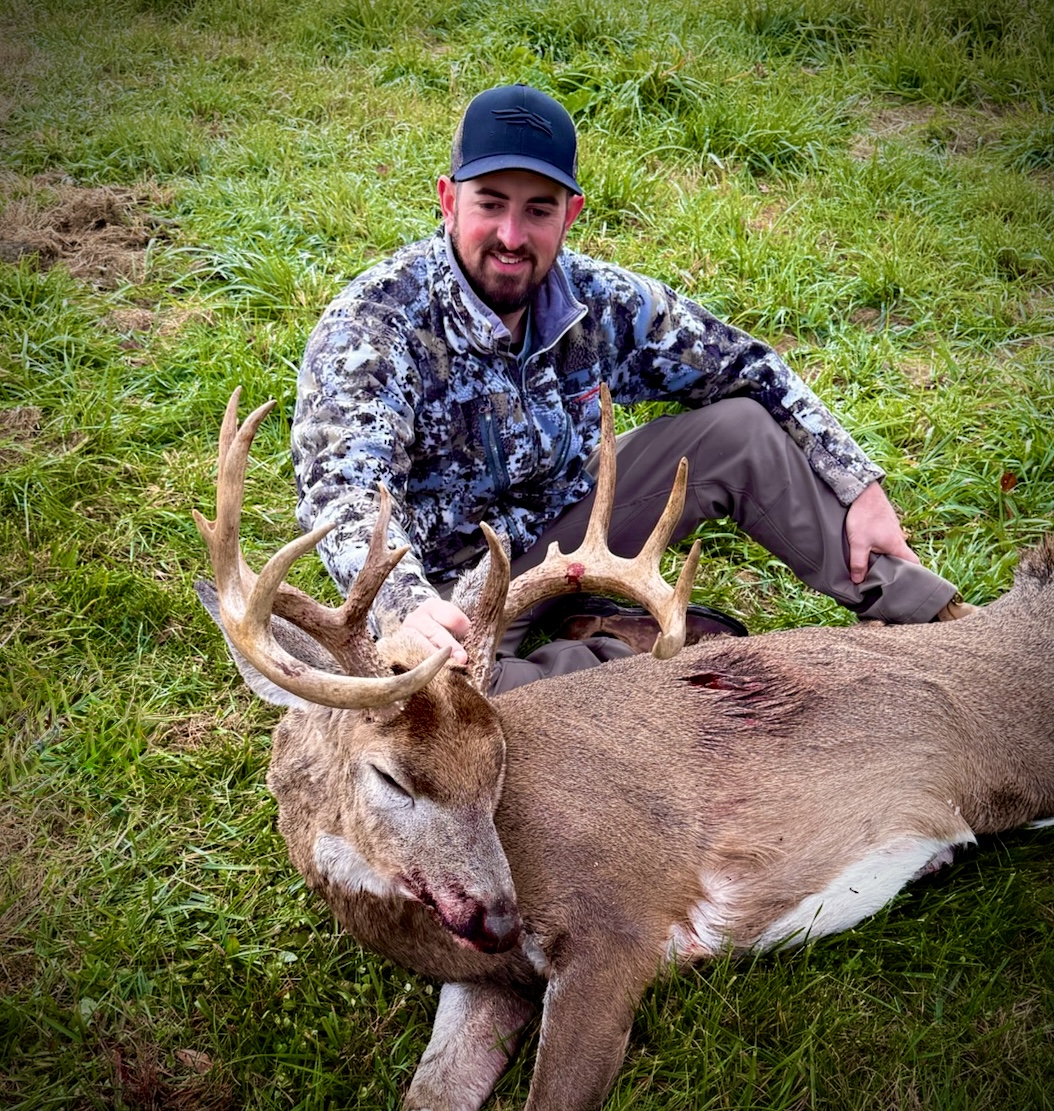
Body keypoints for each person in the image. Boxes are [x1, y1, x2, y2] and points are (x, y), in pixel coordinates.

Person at [292, 83, 970, 693]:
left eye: (538, 210)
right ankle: (624, 662)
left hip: (575, 538)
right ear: (448, 199)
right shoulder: (375, 326)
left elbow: (747, 366)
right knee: (438, 708)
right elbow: (342, 496)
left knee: (737, 433)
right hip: (452, 598)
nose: (510, 235)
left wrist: (856, 480)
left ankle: (937, 620)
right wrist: (407, 611)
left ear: (571, 213)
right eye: (489, 204)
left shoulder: (601, 302)